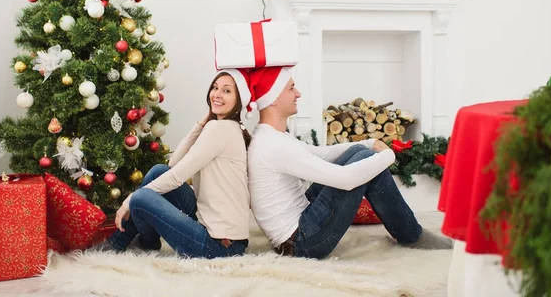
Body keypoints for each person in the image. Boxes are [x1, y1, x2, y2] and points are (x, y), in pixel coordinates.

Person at [246, 66, 452, 259]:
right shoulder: (273, 145)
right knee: (367, 159)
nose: (298, 93)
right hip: (301, 243)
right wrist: (388, 156)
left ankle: (409, 233)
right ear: (273, 99)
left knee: (359, 150)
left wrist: (370, 143)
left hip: (300, 222)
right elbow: (345, 180)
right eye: (291, 88)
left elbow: (322, 154)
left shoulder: (272, 136)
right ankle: (411, 235)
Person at [94, 69, 252, 258]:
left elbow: (178, 176)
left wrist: (127, 202)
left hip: (218, 245)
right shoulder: (222, 126)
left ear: (239, 100)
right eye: (215, 88)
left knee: (139, 198)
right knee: (158, 171)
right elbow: (173, 163)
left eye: (227, 91)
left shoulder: (219, 129)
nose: (217, 94)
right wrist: (201, 123)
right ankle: (137, 242)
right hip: (213, 225)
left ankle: (130, 242)